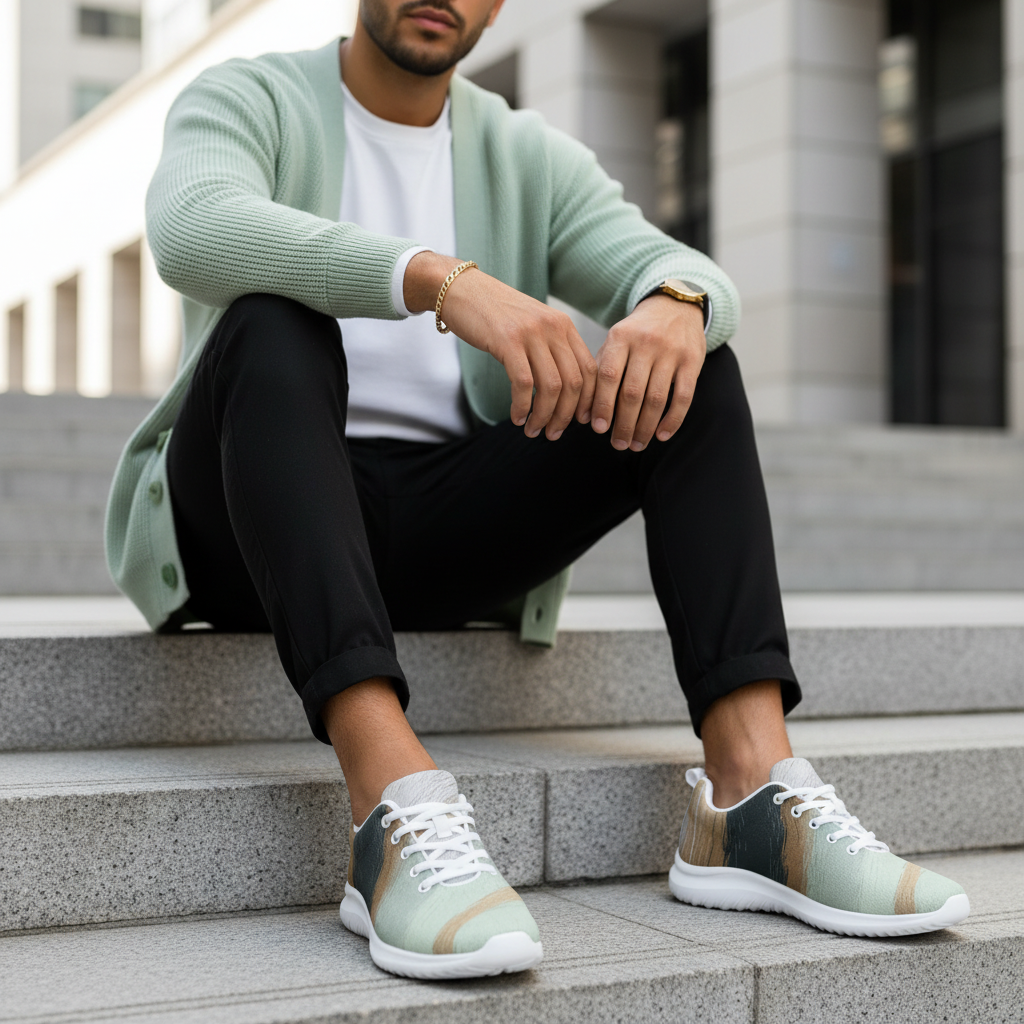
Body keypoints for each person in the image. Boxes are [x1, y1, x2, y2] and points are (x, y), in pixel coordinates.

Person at [105, 0, 969, 982]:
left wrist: (674, 306)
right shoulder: (252, 95)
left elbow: (678, 270)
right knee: (272, 323)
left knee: (694, 365)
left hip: (446, 522)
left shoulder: (521, 151)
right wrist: (438, 279)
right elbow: (191, 227)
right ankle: (392, 804)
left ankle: (750, 793)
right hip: (251, 517)